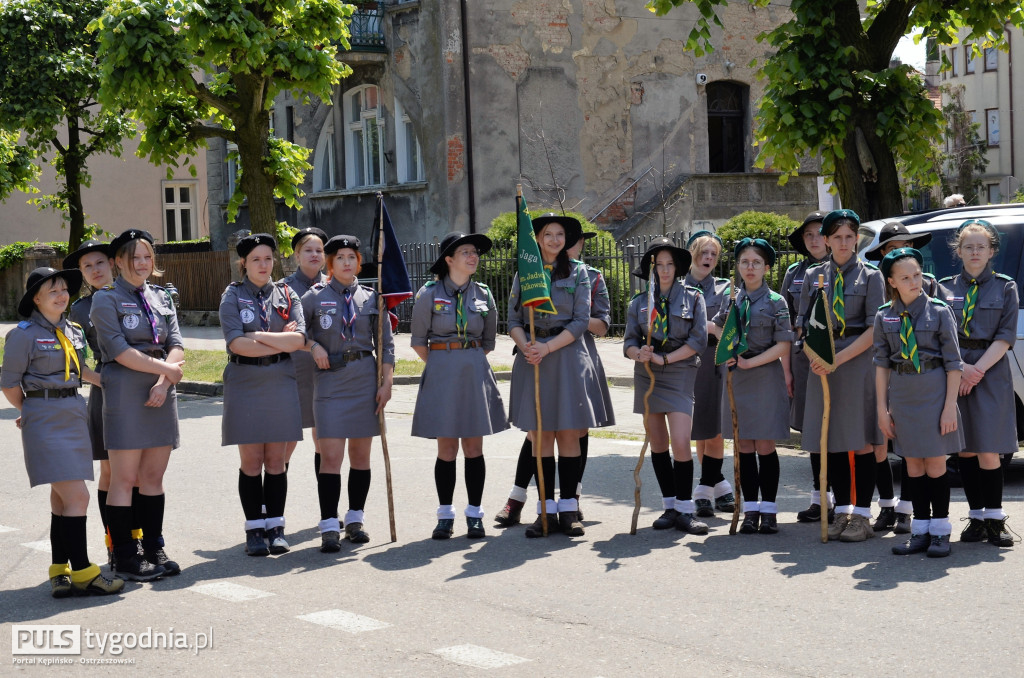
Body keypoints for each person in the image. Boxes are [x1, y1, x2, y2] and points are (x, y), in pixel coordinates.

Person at [2, 267, 124, 596]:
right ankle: (84, 570)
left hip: (73, 413)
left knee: (61, 498)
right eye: (52, 290)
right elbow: (9, 383)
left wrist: (115, 382)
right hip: (45, 418)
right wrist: (30, 411)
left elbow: (80, 370)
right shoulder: (23, 334)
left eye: (63, 289)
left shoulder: (73, 330)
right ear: (36, 299)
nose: (61, 295)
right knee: (79, 496)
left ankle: (60, 569)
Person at [494, 229, 612, 526]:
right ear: (538, 239)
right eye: (548, 235)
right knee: (540, 434)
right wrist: (528, 347)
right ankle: (544, 509)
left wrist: (547, 347)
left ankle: (569, 508)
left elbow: (583, 320)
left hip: (567, 356)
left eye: (562, 234)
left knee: (570, 432)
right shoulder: (526, 273)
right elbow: (514, 319)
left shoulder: (581, 272)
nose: (556, 240)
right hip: (533, 358)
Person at [91, 229, 184, 580]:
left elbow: (176, 342)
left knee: (153, 477)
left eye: (147, 257)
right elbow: (117, 349)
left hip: (161, 388)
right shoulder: (107, 298)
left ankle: (153, 548)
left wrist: (163, 381)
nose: (142, 264)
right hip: (125, 388)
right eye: (134, 257)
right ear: (117, 262)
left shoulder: (162, 296)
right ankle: (126, 557)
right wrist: (166, 371)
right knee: (125, 477)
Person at [411, 232, 508, 539]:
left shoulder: (484, 293)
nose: (473, 256)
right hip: (442, 372)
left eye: (475, 252)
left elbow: (489, 341)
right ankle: (444, 515)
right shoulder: (428, 294)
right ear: (449, 260)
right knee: (447, 448)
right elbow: (418, 342)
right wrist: (444, 361)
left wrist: (464, 359)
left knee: (474, 447)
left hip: (474, 371)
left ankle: (474, 514)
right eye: (465, 252)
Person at [797, 209, 885, 542]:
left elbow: (875, 327)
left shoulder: (871, 276)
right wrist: (817, 355)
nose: (844, 243)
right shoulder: (813, 276)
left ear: (856, 240)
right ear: (827, 240)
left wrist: (840, 358)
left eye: (850, 237)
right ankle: (843, 512)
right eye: (837, 237)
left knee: (861, 442)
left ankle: (862, 515)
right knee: (831, 441)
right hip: (823, 362)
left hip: (857, 362)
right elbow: (806, 324)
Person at [302, 235, 394, 550]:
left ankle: (355, 518)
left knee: (360, 456)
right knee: (330, 456)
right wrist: (313, 345)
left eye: (351, 257)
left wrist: (387, 382)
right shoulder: (313, 298)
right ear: (331, 263)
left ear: (358, 261)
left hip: (364, 380)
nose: (346, 262)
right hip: (329, 380)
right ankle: (329, 522)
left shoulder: (372, 298)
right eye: (339, 257)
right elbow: (299, 335)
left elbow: (387, 345)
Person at [874, 248, 964, 558]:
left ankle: (940, 531)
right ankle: (920, 530)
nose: (915, 282)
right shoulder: (884, 314)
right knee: (913, 464)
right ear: (892, 282)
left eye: (917, 275)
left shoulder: (939, 311)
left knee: (936, 463)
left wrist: (950, 405)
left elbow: (954, 363)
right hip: (903, 394)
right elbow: (882, 364)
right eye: (906, 278)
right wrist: (882, 410)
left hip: (935, 391)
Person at [220, 233, 306, 556]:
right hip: (245, 381)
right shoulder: (232, 295)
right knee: (252, 460)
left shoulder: (287, 294)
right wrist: (275, 339)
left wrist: (257, 334)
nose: (263, 264)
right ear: (244, 262)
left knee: (276, 460)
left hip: (280, 379)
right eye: (256, 259)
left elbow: (298, 340)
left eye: (268, 258)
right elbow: (236, 343)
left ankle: (277, 527)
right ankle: (254, 528)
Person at [938, 219, 1019, 547]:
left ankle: (995, 519)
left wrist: (976, 371)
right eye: (968, 246)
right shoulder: (943, 288)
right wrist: (961, 369)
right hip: (955, 372)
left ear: (991, 251)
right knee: (966, 451)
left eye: (981, 246)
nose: (974, 252)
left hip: (990, 373)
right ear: (959, 251)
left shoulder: (1004, 287)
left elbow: (1005, 336)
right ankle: (975, 516)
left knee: (989, 450)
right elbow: (940, 335)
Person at [624, 238, 709, 534]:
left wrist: (666, 359)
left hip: (679, 372)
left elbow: (698, 341)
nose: (664, 270)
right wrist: (640, 354)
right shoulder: (639, 302)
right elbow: (629, 343)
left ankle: (687, 509)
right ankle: (670, 506)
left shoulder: (694, 298)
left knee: (682, 442)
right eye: (658, 265)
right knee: (658, 444)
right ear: (651, 269)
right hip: (647, 375)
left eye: (669, 264)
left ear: (677, 267)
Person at [714, 239, 793, 534]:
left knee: (765, 444)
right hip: (737, 377)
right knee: (743, 444)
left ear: (766, 268)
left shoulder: (776, 302)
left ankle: (769, 510)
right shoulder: (730, 299)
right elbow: (715, 326)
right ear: (738, 266)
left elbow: (784, 344)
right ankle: (750, 510)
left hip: (764, 376)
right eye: (745, 262)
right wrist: (728, 344)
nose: (750, 268)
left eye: (756, 263)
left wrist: (751, 362)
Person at [862, 222, 937, 532]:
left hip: (916, 374)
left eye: (907, 246)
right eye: (892, 249)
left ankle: (908, 509)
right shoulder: (877, 283)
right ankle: (887, 505)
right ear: (883, 255)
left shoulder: (928, 283)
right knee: (881, 441)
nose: (901, 252)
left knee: (909, 443)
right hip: (882, 368)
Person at [64, 240, 124, 562]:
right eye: (87, 267)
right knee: (111, 471)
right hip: (107, 390)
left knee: (139, 473)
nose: (95, 270)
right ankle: (115, 541)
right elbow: (79, 365)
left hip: (140, 389)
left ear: (112, 263)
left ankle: (141, 537)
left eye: (99, 263)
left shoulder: (132, 295)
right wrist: (109, 383)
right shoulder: (78, 310)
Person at [783, 212, 834, 524]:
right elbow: (788, 322)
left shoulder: (842, 269)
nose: (814, 239)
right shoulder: (795, 273)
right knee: (814, 430)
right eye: (808, 235)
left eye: (819, 233)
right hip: (805, 360)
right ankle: (819, 498)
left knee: (839, 428)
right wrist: (787, 370)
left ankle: (844, 500)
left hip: (839, 359)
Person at [684, 231, 736, 517]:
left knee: (715, 428)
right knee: (699, 430)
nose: (708, 258)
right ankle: (717, 485)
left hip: (716, 360)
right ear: (693, 253)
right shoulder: (678, 288)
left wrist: (713, 330)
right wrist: (710, 327)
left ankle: (706, 487)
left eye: (713, 254)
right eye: (704, 252)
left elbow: (730, 327)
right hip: (688, 362)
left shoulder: (726, 289)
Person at [280, 227, 328, 478]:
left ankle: (327, 510)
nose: (314, 255)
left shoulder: (333, 286)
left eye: (319, 250)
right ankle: (272, 502)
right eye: (307, 250)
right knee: (289, 438)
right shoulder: (282, 289)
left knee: (325, 439)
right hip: (295, 369)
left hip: (327, 369)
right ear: (296, 255)